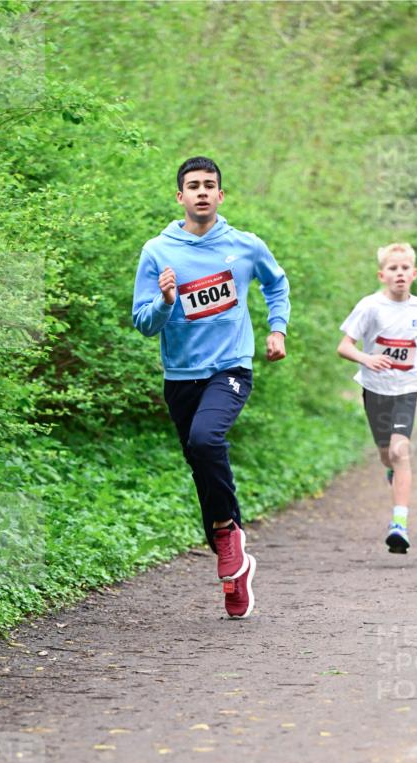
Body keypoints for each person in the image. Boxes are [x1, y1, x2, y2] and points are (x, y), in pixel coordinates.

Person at [132, 156, 290, 619]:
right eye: (193, 186)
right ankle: (233, 567)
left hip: (231, 368)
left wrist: (276, 329)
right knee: (202, 467)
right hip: (180, 377)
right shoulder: (158, 251)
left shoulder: (244, 246)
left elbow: (276, 285)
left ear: (221, 195)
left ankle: (228, 540)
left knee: (206, 439)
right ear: (180, 196)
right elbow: (142, 323)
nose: (202, 192)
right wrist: (164, 302)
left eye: (210, 185)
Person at [337, 243, 417, 554]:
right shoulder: (370, 306)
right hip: (375, 389)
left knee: (400, 449)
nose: (399, 274)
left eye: (405, 268)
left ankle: (399, 524)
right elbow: (344, 346)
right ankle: (394, 473)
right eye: (393, 269)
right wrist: (367, 359)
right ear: (382, 274)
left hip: (407, 388)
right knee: (387, 456)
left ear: (414, 273)